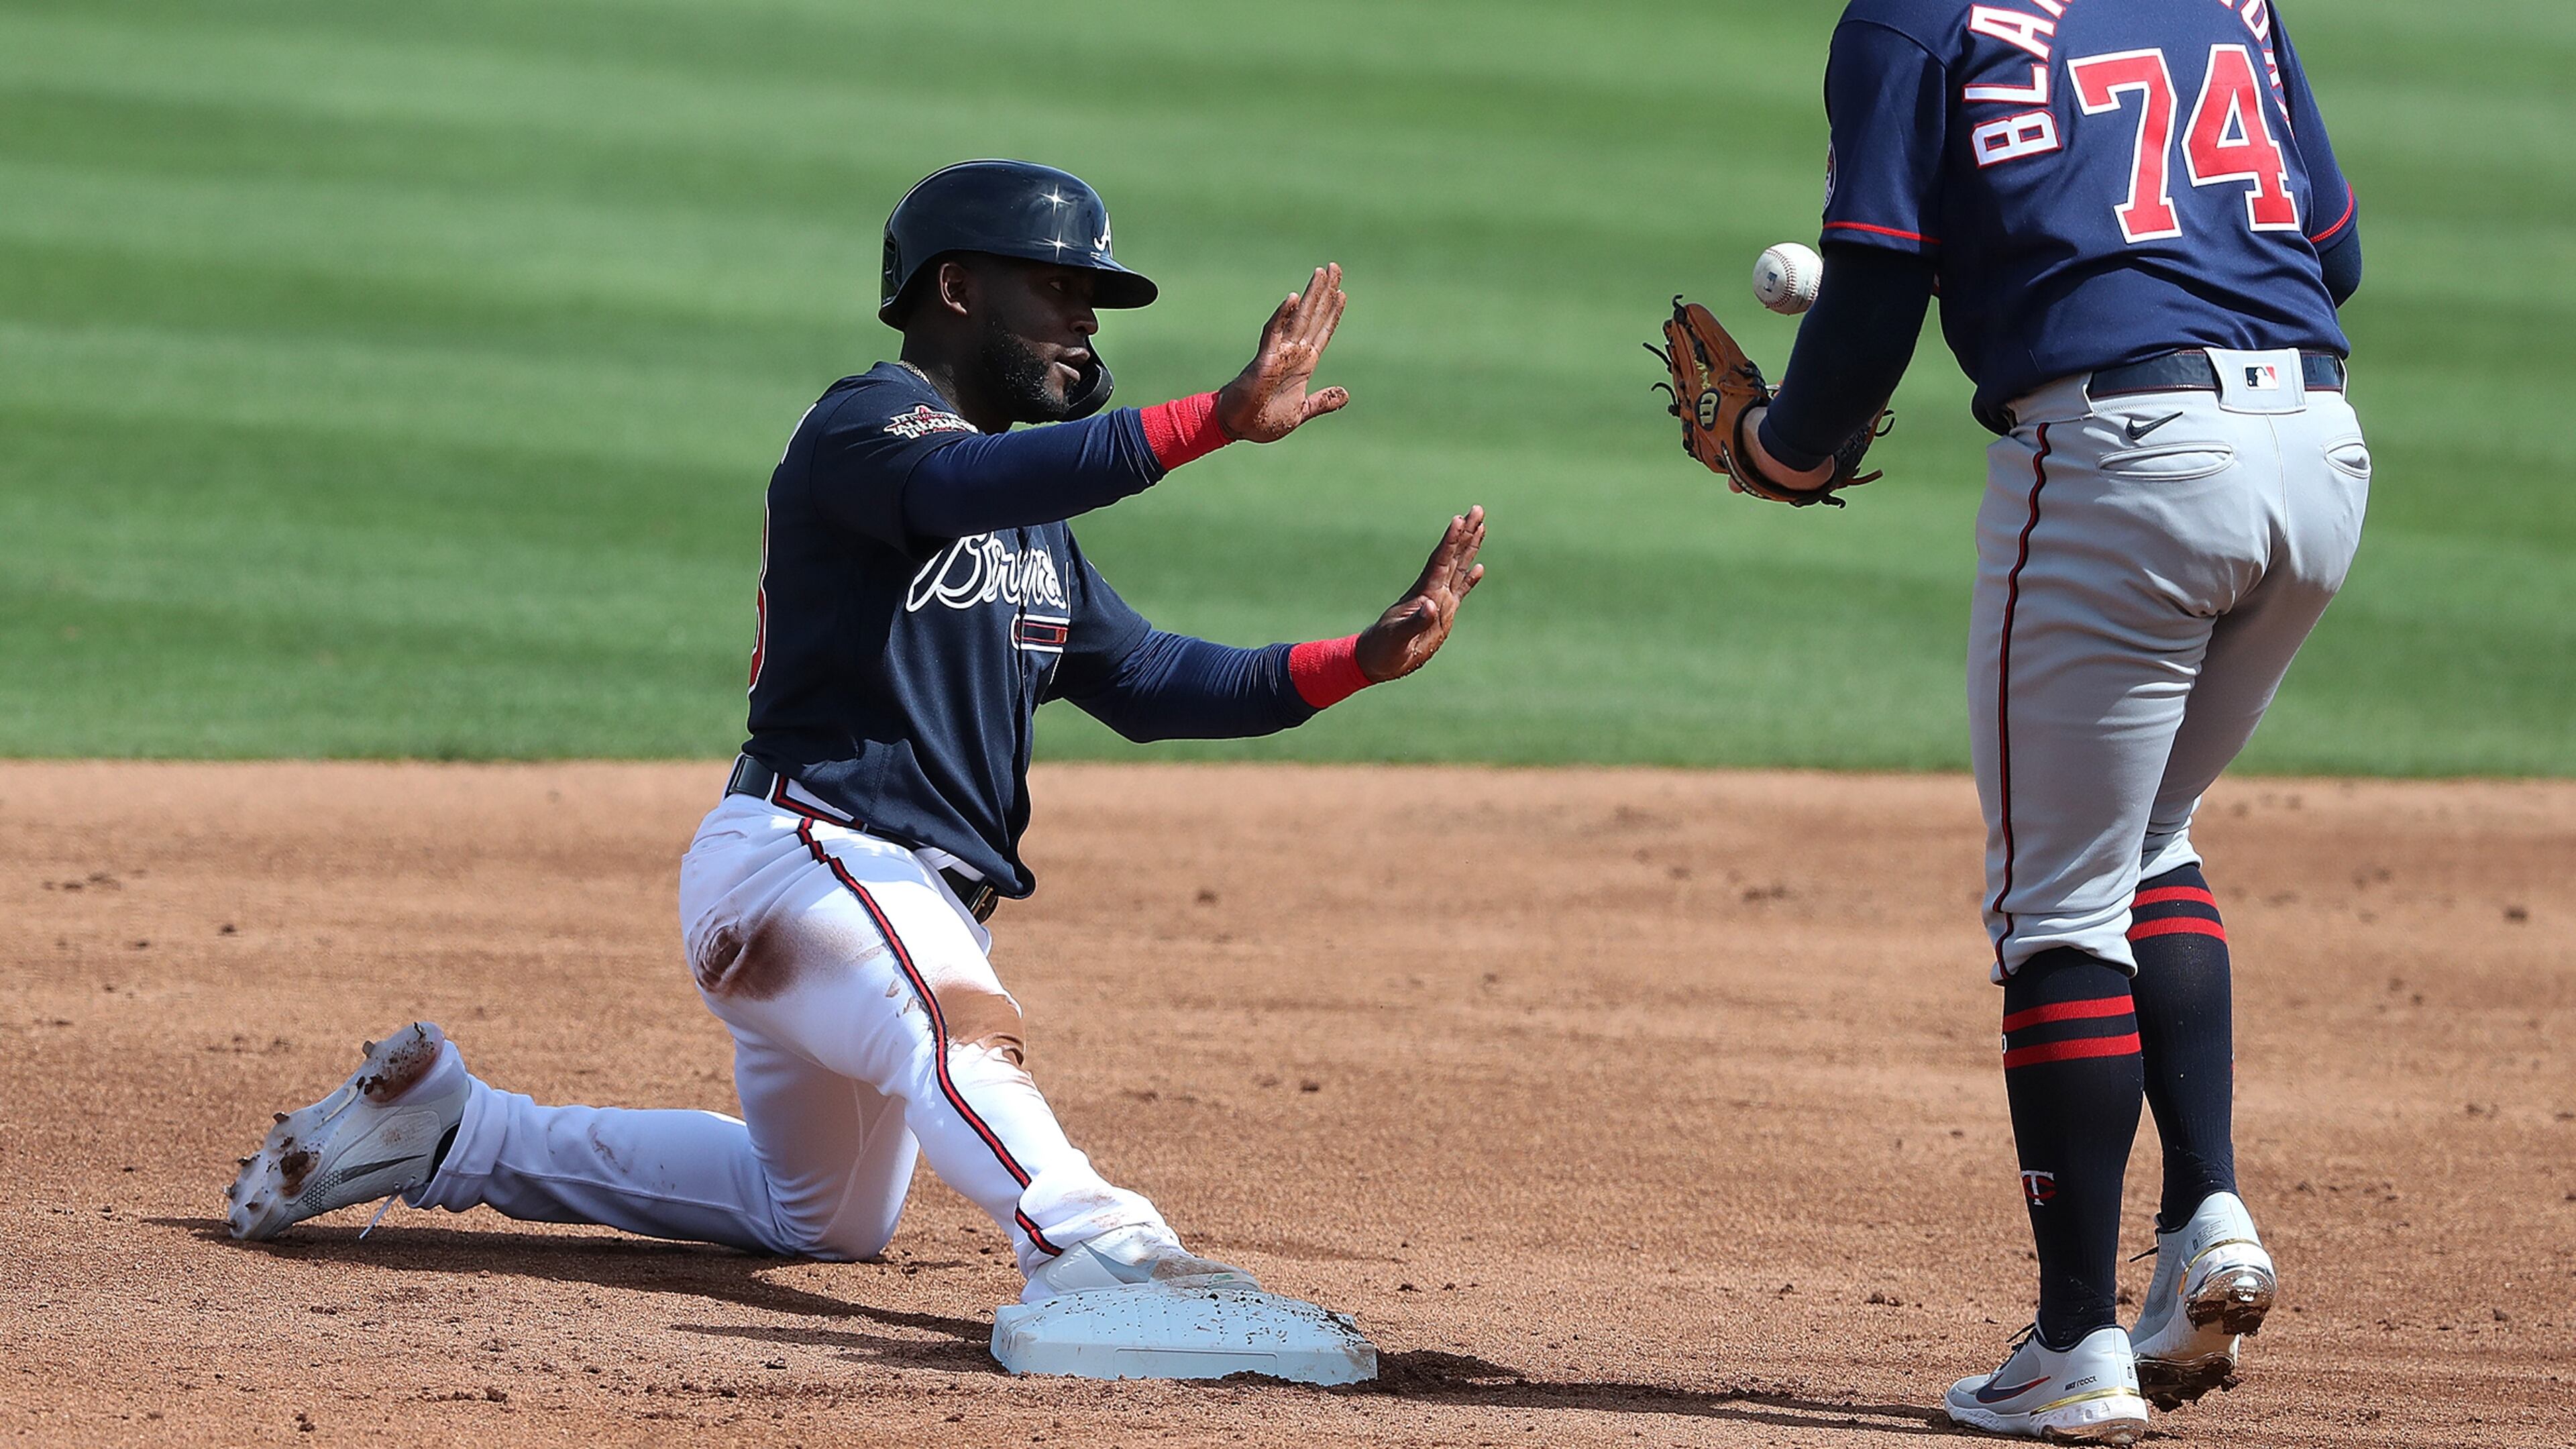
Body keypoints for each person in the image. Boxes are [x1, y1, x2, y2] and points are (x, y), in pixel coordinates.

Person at [225, 160, 1487, 1312]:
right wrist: (1208, 418)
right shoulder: (862, 430)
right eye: (1060, 291)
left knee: (820, 1216)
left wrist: (1356, 662)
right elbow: (954, 487)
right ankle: (1106, 1253)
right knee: (957, 1026)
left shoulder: (1031, 521)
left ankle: (457, 1135)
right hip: (811, 859)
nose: (1086, 324)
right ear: (956, 289)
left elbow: (1150, 679)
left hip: (858, 898)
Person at [1730, 3, 2363, 1440]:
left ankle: (2074, 1348)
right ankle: (2206, 1218)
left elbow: (1879, 283)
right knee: (2152, 836)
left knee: (2057, 902)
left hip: (2125, 462)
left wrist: (1787, 447)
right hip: (2318, 453)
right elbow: (2332, 254)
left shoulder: (1915, 16)